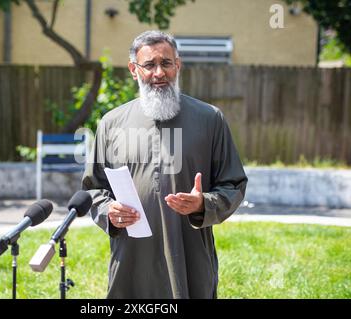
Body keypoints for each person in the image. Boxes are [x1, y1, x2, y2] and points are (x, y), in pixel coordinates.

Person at [82, 30, 248, 299]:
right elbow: (92, 189)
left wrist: (204, 203)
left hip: (189, 256)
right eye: (149, 65)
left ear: (178, 66)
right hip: (131, 260)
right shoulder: (111, 123)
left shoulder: (210, 119)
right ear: (134, 70)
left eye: (166, 63)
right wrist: (108, 211)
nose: (159, 72)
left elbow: (234, 184)